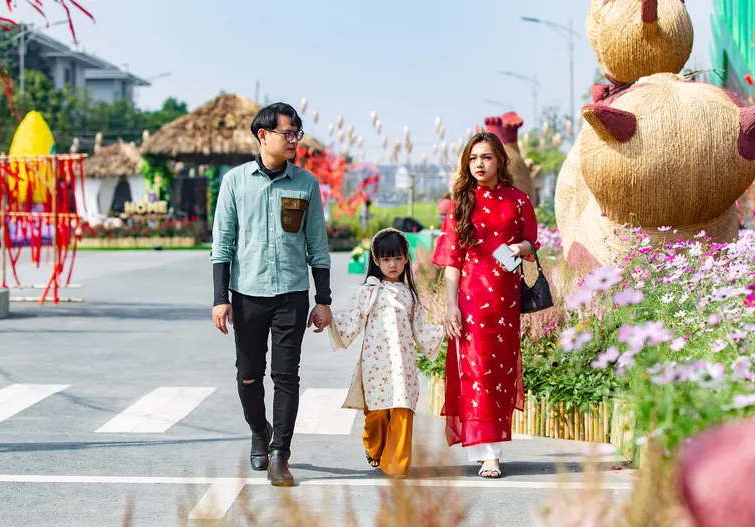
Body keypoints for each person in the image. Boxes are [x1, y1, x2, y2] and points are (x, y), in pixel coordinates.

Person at [210, 102, 333, 487]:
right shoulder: (234, 182)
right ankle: (258, 431)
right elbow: (222, 243)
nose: (295, 139)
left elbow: (318, 245)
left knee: (286, 376)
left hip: (291, 295)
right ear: (264, 136)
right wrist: (220, 297)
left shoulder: (306, 184)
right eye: (288, 133)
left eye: (297, 132)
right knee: (248, 376)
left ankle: (280, 452)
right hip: (246, 294)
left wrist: (323, 299)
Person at [432, 132, 538, 479]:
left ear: (500, 162)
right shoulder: (461, 202)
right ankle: (488, 453)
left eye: (487, 157)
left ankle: (492, 446)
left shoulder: (518, 200)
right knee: (476, 374)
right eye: (474, 157)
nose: (479, 163)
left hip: (506, 302)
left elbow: (530, 240)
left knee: (500, 373)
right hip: (471, 301)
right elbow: (452, 259)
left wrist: (517, 250)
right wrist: (451, 306)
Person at [328, 229, 444, 478]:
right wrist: (327, 319)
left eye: (398, 258)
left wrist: (446, 329)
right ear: (377, 261)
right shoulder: (368, 292)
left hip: (403, 366)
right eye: (386, 259)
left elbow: (420, 329)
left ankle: (396, 467)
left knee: (402, 411)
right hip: (376, 366)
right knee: (377, 414)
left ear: (406, 259)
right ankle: (373, 448)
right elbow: (351, 321)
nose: (393, 264)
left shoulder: (410, 295)